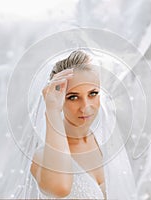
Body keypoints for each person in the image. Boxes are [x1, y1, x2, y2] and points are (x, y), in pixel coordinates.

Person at [30, 50, 136, 199]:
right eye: (73, 97)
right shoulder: (41, 155)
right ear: (59, 99)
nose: (85, 106)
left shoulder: (105, 140)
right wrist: (52, 111)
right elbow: (60, 188)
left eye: (93, 94)